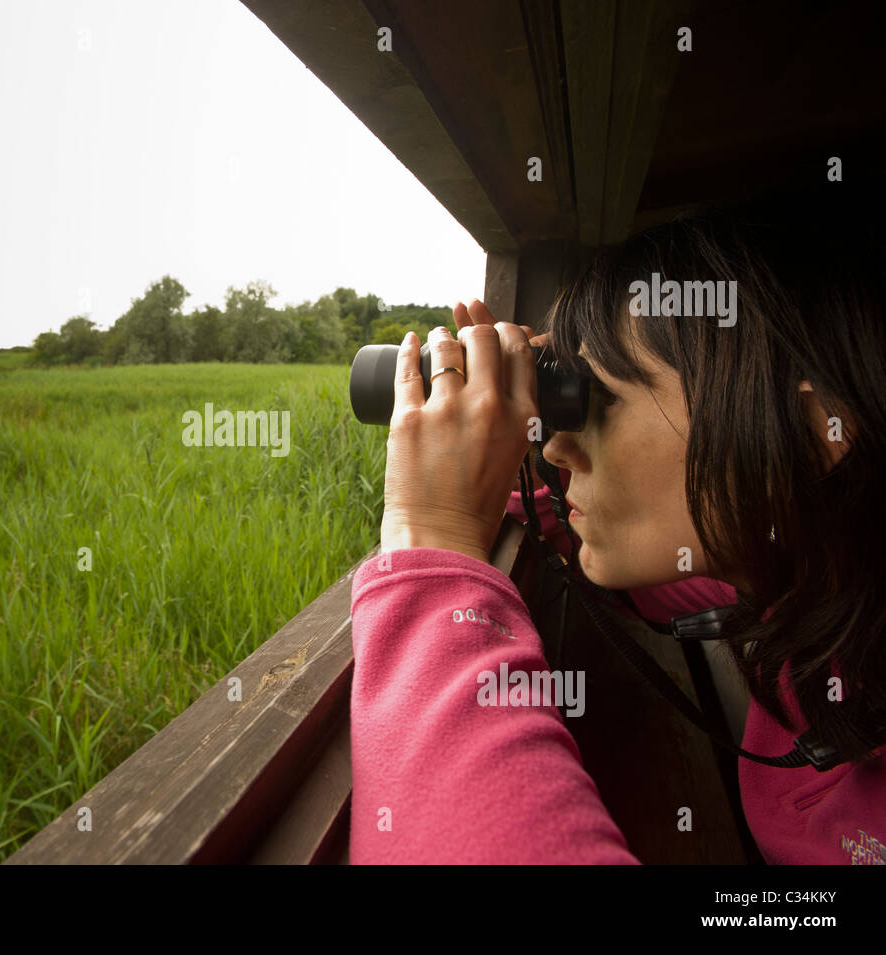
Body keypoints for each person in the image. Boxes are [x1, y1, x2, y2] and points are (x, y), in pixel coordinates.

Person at [349, 187, 885, 863]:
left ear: (810, 432)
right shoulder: (795, 576)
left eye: (602, 404)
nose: (559, 448)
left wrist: (428, 537)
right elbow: (587, 534)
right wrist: (509, 412)